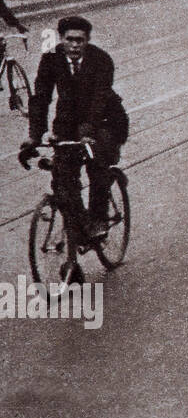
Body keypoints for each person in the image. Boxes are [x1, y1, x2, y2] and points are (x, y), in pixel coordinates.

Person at [21, 15, 130, 253]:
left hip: (105, 121)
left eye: (80, 40)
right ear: (61, 39)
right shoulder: (51, 60)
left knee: (97, 165)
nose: (74, 45)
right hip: (68, 123)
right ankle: (80, 226)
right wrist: (35, 135)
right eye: (69, 39)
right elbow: (40, 97)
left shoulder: (101, 60)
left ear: (87, 41)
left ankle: (98, 219)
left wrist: (87, 132)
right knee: (63, 178)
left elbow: (99, 99)